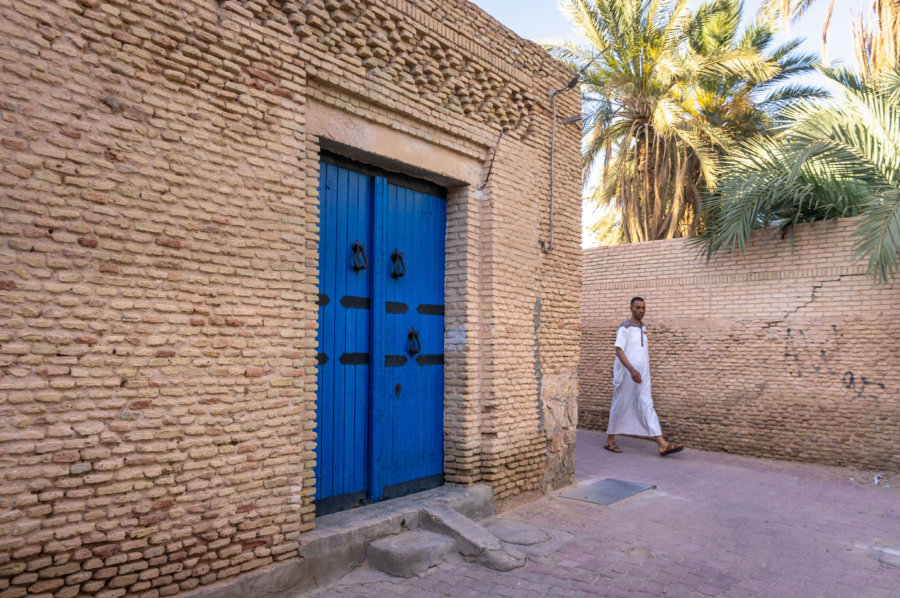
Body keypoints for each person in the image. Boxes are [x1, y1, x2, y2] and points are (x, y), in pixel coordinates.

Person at [604, 297, 684, 457]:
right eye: (638, 307)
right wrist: (632, 370)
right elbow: (619, 350)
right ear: (631, 308)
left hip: (642, 375)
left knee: (647, 404)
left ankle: (662, 444)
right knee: (620, 403)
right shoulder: (624, 327)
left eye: (643, 308)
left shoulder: (643, 327)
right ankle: (610, 440)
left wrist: (641, 371)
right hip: (628, 374)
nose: (641, 310)